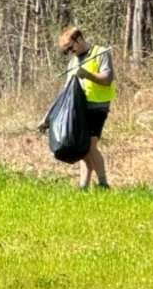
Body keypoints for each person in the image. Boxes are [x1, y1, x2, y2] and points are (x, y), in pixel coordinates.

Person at [47, 26, 116, 189]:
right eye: (66, 51)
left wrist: (87, 74)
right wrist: (47, 117)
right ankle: (83, 187)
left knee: (90, 146)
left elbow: (107, 78)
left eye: (71, 48)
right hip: (78, 109)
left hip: (97, 107)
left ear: (79, 39)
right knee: (83, 149)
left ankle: (103, 184)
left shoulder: (100, 53)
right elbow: (65, 92)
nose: (70, 52)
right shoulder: (73, 61)